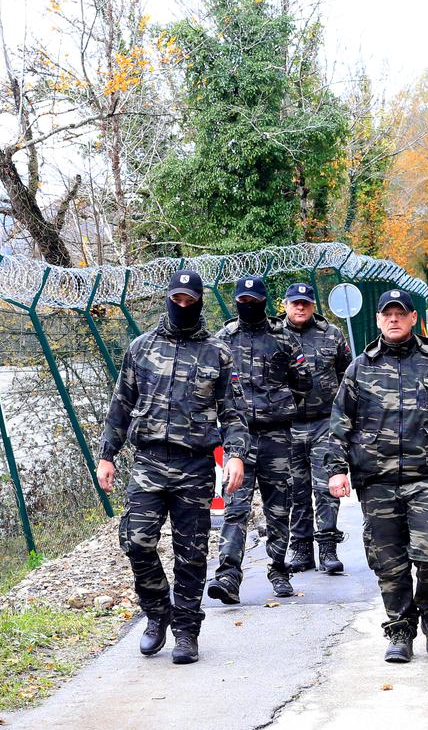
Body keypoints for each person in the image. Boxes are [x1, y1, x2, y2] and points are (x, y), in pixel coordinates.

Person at [97, 269, 248, 665]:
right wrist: (106, 455)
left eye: (189, 300)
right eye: (176, 298)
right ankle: (156, 613)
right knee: (136, 541)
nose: (182, 305)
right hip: (148, 462)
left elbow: (232, 413)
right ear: (167, 298)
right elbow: (121, 404)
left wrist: (235, 454)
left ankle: (186, 630)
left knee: (192, 553)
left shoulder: (217, 353)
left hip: (195, 465)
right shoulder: (141, 348)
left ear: (199, 301)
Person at [325, 289, 428, 663]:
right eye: (387, 314)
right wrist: (336, 469)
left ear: (414, 318)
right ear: (379, 321)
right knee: (388, 562)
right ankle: (399, 630)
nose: (393, 319)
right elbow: (338, 425)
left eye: (401, 313)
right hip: (376, 481)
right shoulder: (360, 368)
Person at [205, 276, 312, 603]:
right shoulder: (224, 340)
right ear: (236, 301)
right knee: (236, 507)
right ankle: (228, 576)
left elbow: (303, 383)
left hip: (276, 436)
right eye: (243, 301)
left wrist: (280, 405)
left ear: (265, 302)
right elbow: (212, 387)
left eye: (254, 301)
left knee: (279, 507)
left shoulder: (284, 339)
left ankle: (278, 569)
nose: (248, 305)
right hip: (238, 440)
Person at [282, 283, 353, 575]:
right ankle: (301, 548)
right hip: (287, 425)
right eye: (295, 303)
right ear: (285, 304)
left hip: (325, 421)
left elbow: (347, 375)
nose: (300, 308)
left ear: (313, 306)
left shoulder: (331, 334)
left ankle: (328, 547)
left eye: (306, 303)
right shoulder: (274, 336)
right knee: (295, 490)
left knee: (326, 487)